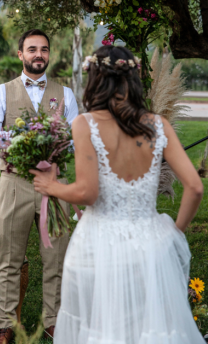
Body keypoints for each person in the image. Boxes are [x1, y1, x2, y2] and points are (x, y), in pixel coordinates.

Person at [30, 45, 205, 344]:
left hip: (99, 243)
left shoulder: (85, 124)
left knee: (101, 328)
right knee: (146, 329)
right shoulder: (157, 125)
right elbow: (195, 187)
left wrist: (51, 187)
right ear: (133, 77)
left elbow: (87, 192)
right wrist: (175, 233)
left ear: (95, 78)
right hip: (151, 245)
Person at [0, 29, 78, 344]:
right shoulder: (2, 92)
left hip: (55, 186)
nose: (39, 54)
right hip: (14, 183)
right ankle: (6, 325)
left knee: (56, 258)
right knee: (10, 257)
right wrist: (23, 138)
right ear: (20, 54)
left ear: (49, 55)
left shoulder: (66, 94)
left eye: (44, 49)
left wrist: (59, 143)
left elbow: (78, 139)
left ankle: (53, 321)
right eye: (32, 49)